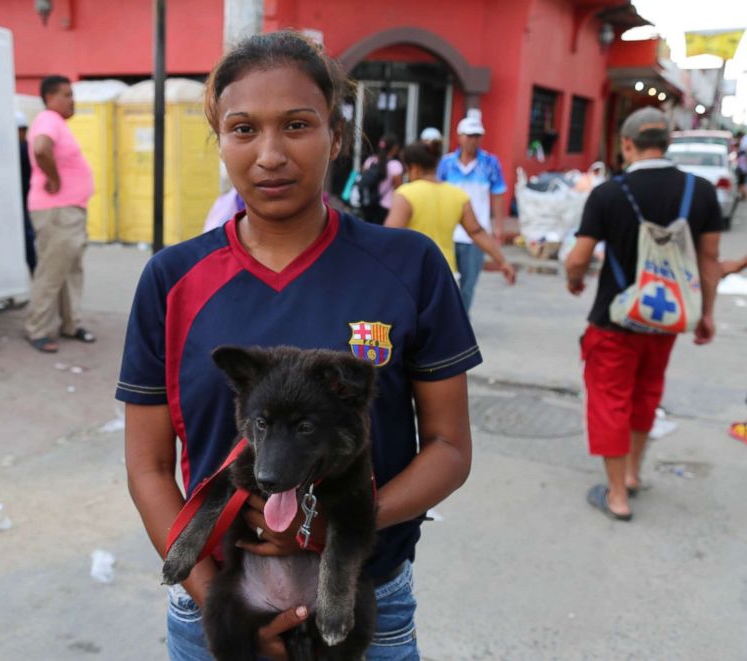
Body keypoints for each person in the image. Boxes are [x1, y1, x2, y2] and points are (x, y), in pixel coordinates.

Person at [117, 30, 481, 661]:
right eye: (242, 129)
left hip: (365, 601)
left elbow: (449, 448)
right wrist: (217, 605)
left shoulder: (409, 265)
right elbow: (148, 466)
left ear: (335, 137)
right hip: (222, 601)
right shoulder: (171, 280)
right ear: (221, 142)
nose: (270, 154)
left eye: (296, 125)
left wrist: (333, 523)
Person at [564, 107, 722, 521]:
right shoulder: (701, 191)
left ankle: (616, 496)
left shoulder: (608, 194)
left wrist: (574, 279)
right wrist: (706, 314)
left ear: (627, 145)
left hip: (616, 320)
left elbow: (578, 258)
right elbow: (709, 261)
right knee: (646, 395)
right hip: (667, 322)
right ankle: (632, 474)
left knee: (610, 402)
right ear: (667, 143)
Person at [25, 75, 96, 353]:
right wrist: (53, 178)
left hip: (68, 210)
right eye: (66, 95)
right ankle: (38, 329)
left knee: (70, 269)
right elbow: (41, 149)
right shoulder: (48, 119)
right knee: (52, 271)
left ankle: (70, 322)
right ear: (50, 97)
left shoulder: (56, 123)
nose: (72, 100)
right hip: (57, 211)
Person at [385, 141, 516, 287]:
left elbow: (391, 237)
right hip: (447, 275)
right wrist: (502, 262)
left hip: (415, 274)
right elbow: (477, 232)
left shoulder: (405, 195)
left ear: (414, 168)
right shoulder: (458, 195)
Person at [437, 110, 507, 311]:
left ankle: (462, 322)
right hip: (449, 232)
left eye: (478, 136)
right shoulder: (447, 164)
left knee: (468, 286)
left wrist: (498, 227)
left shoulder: (490, 163)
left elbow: (498, 193)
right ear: (459, 137)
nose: (473, 140)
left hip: (476, 234)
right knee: (446, 283)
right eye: (470, 136)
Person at [360, 133, 403, 225]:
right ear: (394, 148)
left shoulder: (370, 161)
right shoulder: (395, 165)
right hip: (386, 206)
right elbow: (398, 189)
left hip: (369, 203)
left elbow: (363, 178)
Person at [16, 110, 37, 274]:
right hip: (25, 201)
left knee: (27, 238)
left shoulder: (22, 150)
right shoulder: (26, 148)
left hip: (24, 201)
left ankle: (34, 270)